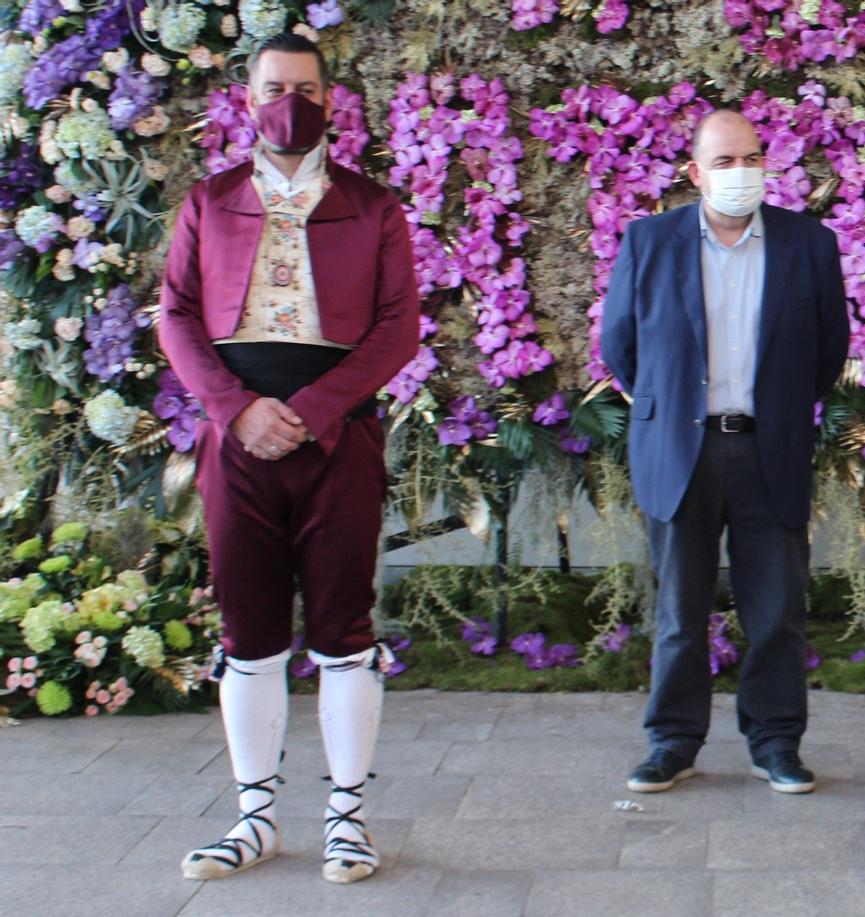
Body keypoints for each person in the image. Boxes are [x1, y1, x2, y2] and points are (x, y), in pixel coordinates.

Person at [158, 34, 419, 884]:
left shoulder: (374, 206)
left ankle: (348, 819)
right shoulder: (210, 200)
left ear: (330, 101)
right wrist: (237, 411)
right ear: (247, 98)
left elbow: (397, 327)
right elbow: (177, 317)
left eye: (305, 88)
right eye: (275, 87)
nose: (290, 102)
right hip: (236, 437)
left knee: (344, 633)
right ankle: (255, 817)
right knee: (250, 633)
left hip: (336, 433)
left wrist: (308, 411)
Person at [600, 109, 849, 797]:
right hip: (681, 447)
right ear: (695, 172)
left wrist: (780, 407)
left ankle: (775, 742)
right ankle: (672, 742)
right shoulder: (649, 243)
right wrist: (673, 403)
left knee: (776, 609)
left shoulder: (809, 245)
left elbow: (829, 350)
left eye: (753, 158)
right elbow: (621, 347)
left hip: (770, 446)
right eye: (725, 161)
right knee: (681, 610)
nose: (742, 173)